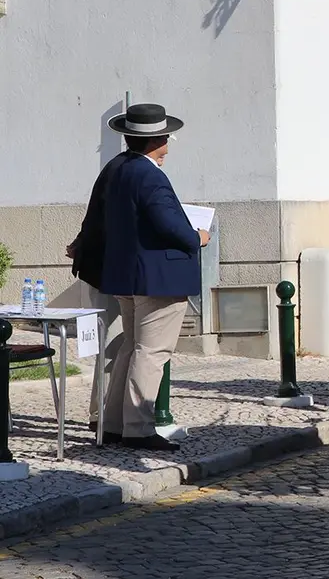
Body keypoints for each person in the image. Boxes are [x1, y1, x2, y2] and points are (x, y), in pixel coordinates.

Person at [99, 104, 209, 452]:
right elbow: (168, 224)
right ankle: (138, 427)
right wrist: (197, 238)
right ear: (157, 140)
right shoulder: (150, 176)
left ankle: (114, 424)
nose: (169, 144)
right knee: (151, 352)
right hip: (158, 278)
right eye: (167, 138)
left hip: (128, 274)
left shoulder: (117, 168)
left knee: (132, 348)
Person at [66, 147, 131, 434]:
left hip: (106, 270)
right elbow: (106, 220)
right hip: (109, 273)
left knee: (112, 344)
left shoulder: (119, 168)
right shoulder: (128, 171)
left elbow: (97, 216)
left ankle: (106, 413)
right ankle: (104, 414)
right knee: (109, 344)